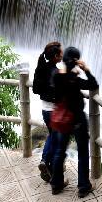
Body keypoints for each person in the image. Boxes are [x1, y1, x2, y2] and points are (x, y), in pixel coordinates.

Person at [50, 46, 98, 197]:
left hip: (62, 120)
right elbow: (93, 84)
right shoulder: (75, 80)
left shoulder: (56, 76)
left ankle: (56, 184)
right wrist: (86, 70)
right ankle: (83, 186)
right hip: (77, 120)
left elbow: (57, 86)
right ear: (76, 61)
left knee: (59, 151)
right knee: (83, 152)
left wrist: (70, 69)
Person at [32, 41, 63, 182]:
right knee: (58, 142)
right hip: (55, 112)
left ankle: (45, 163)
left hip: (45, 110)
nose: (63, 54)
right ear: (56, 56)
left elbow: (36, 89)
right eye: (61, 53)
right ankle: (55, 176)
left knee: (52, 136)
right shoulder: (56, 72)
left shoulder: (42, 68)